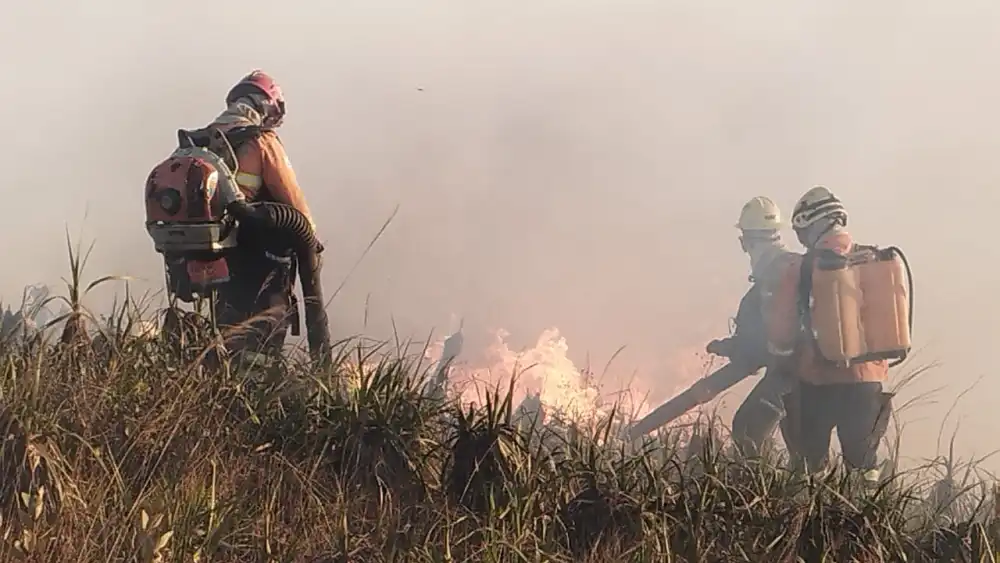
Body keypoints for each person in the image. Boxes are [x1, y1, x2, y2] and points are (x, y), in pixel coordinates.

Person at [769, 186, 894, 485]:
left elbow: (782, 328)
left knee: (807, 470)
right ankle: (869, 526)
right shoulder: (875, 260)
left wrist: (780, 356)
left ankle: (808, 527)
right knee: (865, 470)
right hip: (867, 381)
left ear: (812, 226)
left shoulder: (799, 269)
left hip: (816, 381)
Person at [205, 70, 320, 357]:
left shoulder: (204, 141)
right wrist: (311, 244)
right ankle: (256, 394)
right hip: (259, 263)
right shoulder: (262, 140)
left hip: (215, 257)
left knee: (226, 335)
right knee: (260, 344)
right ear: (268, 106)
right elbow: (294, 205)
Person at [706, 196, 803, 462]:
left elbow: (757, 345)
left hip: (789, 373)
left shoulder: (773, 277)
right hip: (809, 370)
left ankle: (749, 494)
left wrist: (728, 347)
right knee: (803, 452)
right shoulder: (796, 267)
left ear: (745, 241)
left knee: (747, 429)